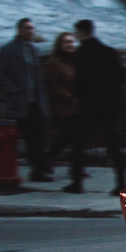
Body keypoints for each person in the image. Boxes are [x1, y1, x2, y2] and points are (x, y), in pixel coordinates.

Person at [66, 19, 126, 194]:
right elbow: (121, 78)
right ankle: (121, 182)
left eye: (76, 33)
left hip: (89, 106)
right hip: (109, 105)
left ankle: (76, 182)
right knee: (113, 146)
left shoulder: (82, 52)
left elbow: (80, 81)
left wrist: (77, 95)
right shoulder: (109, 52)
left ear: (81, 32)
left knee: (79, 144)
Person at [0, 18, 52, 181]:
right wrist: (13, 90)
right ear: (19, 30)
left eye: (32, 28)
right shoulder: (8, 49)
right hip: (20, 103)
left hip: (35, 102)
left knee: (38, 137)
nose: (31, 31)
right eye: (27, 28)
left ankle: (38, 171)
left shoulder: (33, 49)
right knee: (21, 138)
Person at [45, 32, 81, 180]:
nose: (70, 45)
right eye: (66, 42)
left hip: (76, 105)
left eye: (71, 42)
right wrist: (68, 97)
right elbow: (52, 84)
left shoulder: (77, 61)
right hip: (61, 106)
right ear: (60, 45)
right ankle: (49, 157)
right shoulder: (55, 63)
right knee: (67, 135)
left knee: (77, 137)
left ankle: (76, 168)